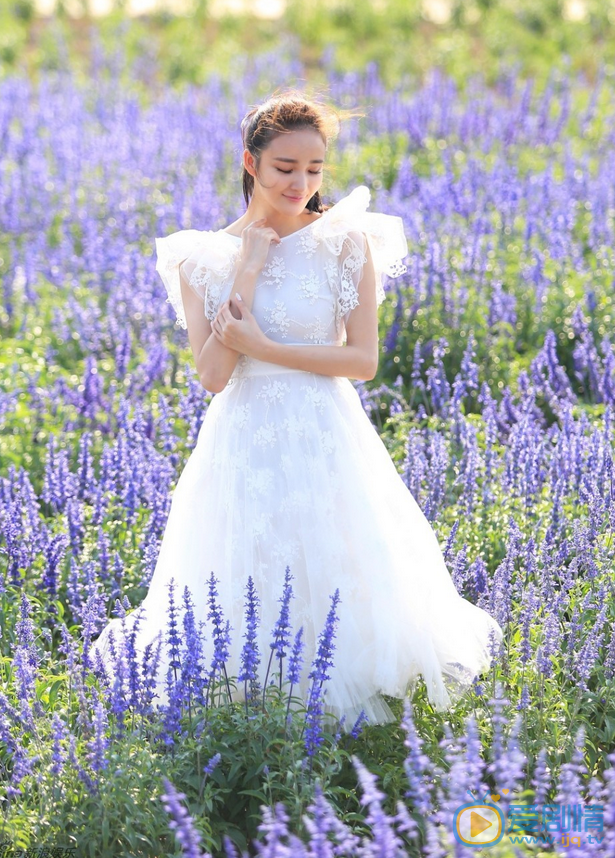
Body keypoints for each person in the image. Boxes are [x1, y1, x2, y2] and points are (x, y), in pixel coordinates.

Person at [91, 90, 503, 727]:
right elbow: (213, 375)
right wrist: (248, 272)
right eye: (286, 168)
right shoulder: (199, 257)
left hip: (326, 431)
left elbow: (362, 361)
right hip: (244, 437)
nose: (302, 183)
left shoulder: (346, 242)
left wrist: (266, 345)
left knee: (335, 562)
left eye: (314, 169)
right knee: (249, 570)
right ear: (251, 163)